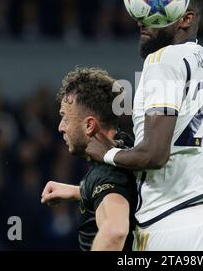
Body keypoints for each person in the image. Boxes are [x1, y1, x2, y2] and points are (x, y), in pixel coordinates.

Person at [85, 0, 203, 250]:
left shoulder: (162, 59)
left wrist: (106, 154)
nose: (143, 20)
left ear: (185, 19)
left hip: (171, 228)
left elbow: (155, 155)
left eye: (157, 11)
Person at [40, 67, 137, 251]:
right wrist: (80, 191)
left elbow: (115, 232)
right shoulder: (126, 147)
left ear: (89, 125)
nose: (61, 127)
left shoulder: (105, 173)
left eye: (65, 118)